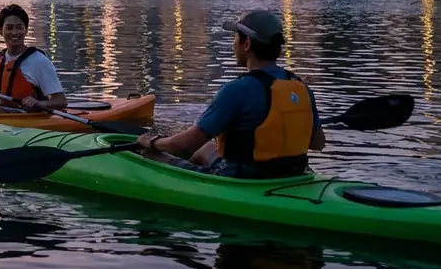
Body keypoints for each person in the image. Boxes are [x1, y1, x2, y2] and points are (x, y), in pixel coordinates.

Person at [136, 10, 326, 179]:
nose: (233, 44)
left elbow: (187, 144)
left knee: (150, 155)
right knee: (207, 148)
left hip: (243, 179)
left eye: (235, 38)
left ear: (247, 44)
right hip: (294, 174)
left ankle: (188, 182)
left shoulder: (236, 90)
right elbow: (318, 143)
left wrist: (153, 142)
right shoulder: (300, 86)